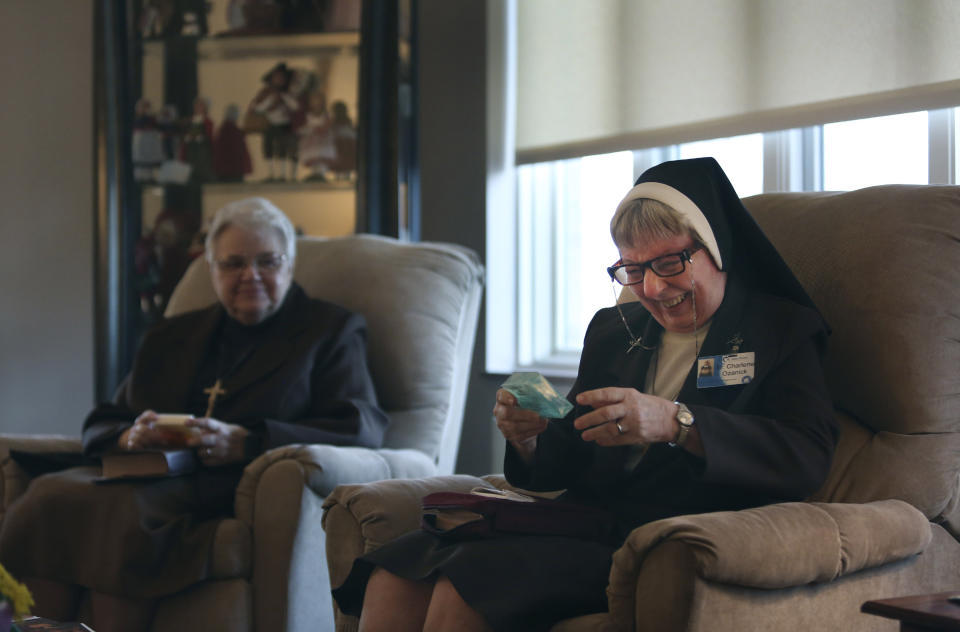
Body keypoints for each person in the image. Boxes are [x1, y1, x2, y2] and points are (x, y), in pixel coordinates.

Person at [332, 157, 838, 631]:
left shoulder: (780, 330)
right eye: (632, 270)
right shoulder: (615, 330)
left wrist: (677, 423)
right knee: (394, 573)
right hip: (581, 523)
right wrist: (530, 439)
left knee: (462, 587)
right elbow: (569, 458)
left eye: (669, 263)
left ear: (716, 247)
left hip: (663, 539)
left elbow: (806, 454)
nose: (653, 290)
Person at [0, 197, 390, 632]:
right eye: (233, 264)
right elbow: (108, 416)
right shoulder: (174, 334)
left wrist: (247, 440)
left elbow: (362, 424)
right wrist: (131, 436)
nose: (250, 276)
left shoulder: (329, 330)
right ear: (212, 269)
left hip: (228, 483)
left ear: (290, 264)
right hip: (146, 473)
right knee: (46, 496)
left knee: (123, 513)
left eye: (267, 261)